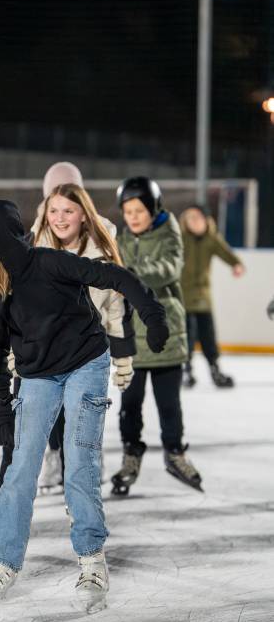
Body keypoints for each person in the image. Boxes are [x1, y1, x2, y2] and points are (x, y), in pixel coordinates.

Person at [0, 198, 168, 609]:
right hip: (37, 375)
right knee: (21, 465)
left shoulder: (49, 263)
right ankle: (4, 560)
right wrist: (4, 409)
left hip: (85, 363)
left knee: (79, 459)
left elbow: (113, 276)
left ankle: (92, 559)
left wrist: (152, 313)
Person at [31, 173, 135, 494]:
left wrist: (124, 357)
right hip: (48, 346)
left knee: (83, 415)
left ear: (83, 213)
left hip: (90, 350)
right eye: (54, 210)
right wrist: (12, 351)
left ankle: (88, 459)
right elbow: (23, 307)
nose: (60, 219)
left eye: (68, 210)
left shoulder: (102, 251)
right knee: (52, 413)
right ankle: (54, 455)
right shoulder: (36, 249)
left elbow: (116, 306)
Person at [111, 177, 203, 497]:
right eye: (128, 211)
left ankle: (175, 452)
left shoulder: (170, 234)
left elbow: (169, 268)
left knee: (169, 405)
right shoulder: (119, 240)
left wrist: (131, 273)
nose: (133, 217)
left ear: (154, 209)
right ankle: (131, 454)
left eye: (139, 210)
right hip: (132, 338)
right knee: (130, 404)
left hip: (166, 335)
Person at [180, 204, 245, 388]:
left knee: (208, 334)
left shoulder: (211, 239)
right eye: (189, 218)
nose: (193, 221)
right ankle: (187, 370)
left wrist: (236, 264)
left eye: (197, 217)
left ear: (206, 220)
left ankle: (215, 369)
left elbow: (226, 252)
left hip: (203, 296)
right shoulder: (181, 238)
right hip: (183, 296)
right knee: (187, 335)